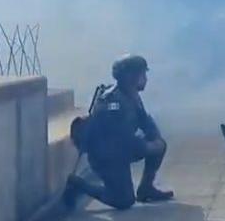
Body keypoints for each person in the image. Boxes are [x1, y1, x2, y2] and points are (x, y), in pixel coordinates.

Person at [63, 55, 174, 210]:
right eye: (142, 74)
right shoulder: (112, 102)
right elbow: (121, 139)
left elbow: (145, 121)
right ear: (130, 77)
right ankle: (78, 185)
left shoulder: (132, 96)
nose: (145, 79)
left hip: (120, 151)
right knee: (123, 200)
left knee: (159, 145)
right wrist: (148, 147)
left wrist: (155, 138)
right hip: (106, 157)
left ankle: (146, 189)